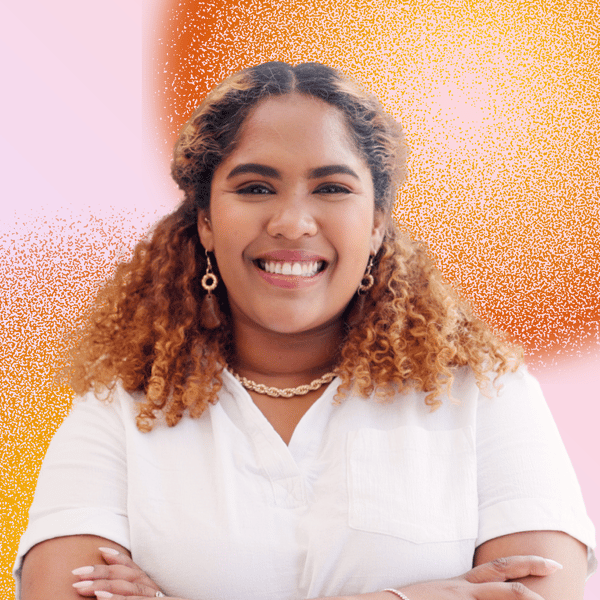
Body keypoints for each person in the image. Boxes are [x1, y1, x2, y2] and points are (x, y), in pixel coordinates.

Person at [14, 61, 595, 600]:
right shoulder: (122, 405)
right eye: (255, 187)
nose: (292, 221)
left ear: (375, 226)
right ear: (206, 222)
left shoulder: (483, 393)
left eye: (332, 188)